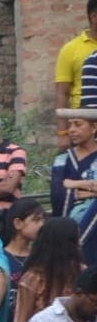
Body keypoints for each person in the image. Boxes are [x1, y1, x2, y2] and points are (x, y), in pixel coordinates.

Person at [51, 109, 97, 260]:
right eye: (70, 125)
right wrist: (91, 188)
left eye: (78, 125)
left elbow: (63, 185)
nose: (71, 130)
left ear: (94, 128)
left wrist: (73, 184)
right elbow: (57, 191)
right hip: (68, 228)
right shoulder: (63, 158)